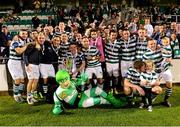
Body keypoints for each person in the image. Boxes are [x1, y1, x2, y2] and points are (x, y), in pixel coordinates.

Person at [52, 70, 126, 115]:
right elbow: (57, 104)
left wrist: (85, 78)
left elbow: (85, 82)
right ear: (58, 82)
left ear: (68, 77)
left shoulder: (72, 82)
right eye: (62, 81)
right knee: (100, 100)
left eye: (66, 79)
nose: (65, 82)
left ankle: (116, 102)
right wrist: (57, 109)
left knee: (97, 89)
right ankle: (114, 102)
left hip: (82, 95)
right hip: (79, 103)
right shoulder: (59, 92)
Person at [7, 30, 29, 102]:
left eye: (26, 34)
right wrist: (26, 46)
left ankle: (20, 95)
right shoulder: (15, 42)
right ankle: (15, 95)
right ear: (19, 34)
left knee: (22, 80)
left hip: (20, 62)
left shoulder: (24, 42)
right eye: (23, 34)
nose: (24, 35)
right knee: (17, 80)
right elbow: (19, 51)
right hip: (13, 62)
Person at [104, 30, 121, 94]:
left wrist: (119, 64)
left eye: (115, 35)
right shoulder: (106, 42)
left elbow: (120, 54)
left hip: (116, 62)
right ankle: (110, 88)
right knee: (109, 76)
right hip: (108, 62)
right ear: (109, 35)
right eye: (112, 35)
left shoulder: (119, 43)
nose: (113, 36)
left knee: (116, 77)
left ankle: (115, 88)